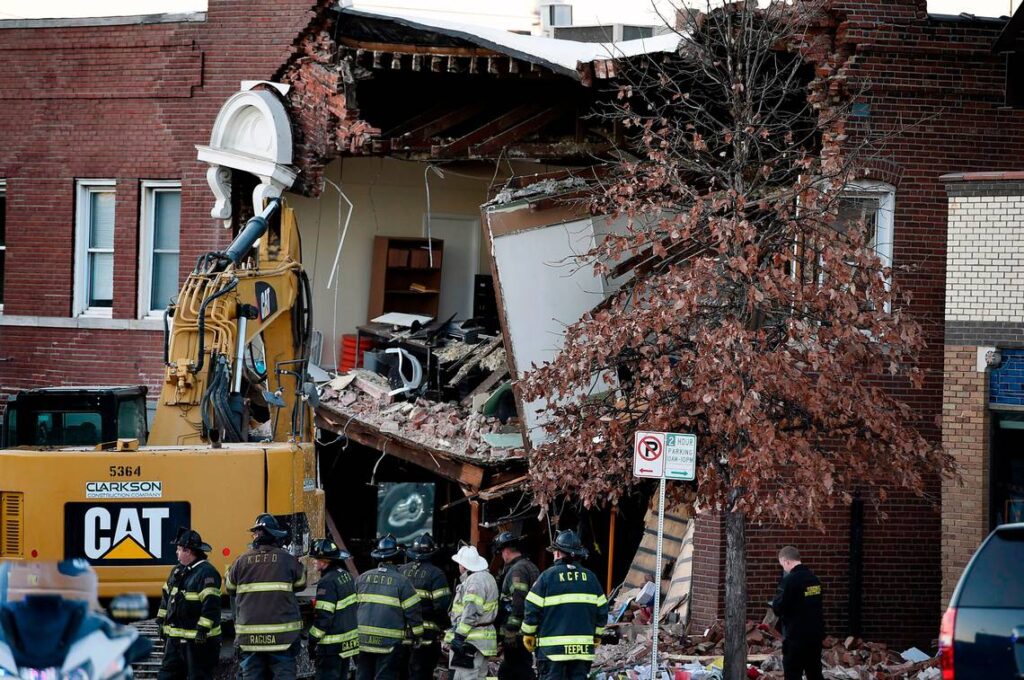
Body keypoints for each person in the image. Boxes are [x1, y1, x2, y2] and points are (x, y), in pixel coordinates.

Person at [225, 513, 306, 680]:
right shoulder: (287, 560)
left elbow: (229, 587)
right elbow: (301, 583)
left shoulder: (241, 561)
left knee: (252, 675)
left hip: (250, 639)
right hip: (282, 638)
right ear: (275, 536)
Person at [521, 530, 607, 680]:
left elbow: (531, 608)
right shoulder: (591, 579)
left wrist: (528, 633)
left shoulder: (547, 577)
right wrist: (597, 635)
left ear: (559, 553)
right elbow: (602, 612)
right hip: (582, 652)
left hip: (551, 653)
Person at [155, 527, 221, 680]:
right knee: (166, 676)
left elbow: (211, 605)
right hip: (175, 641)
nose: (176, 553)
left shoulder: (207, 573)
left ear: (188, 551)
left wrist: (203, 630)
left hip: (199, 643)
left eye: (179, 549)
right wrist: (161, 622)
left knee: (198, 676)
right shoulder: (177, 571)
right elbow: (166, 598)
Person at [356, 534, 424, 680]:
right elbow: (413, 612)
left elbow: (350, 609)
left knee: (363, 676)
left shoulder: (362, 578)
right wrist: (417, 635)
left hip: (362, 641)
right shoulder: (403, 582)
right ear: (397, 557)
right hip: (389, 644)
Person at [399, 533, 452, 680]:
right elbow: (443, 606)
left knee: (401, 673)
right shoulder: (436, 574)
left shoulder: (400, 571)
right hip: (426, 637)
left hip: (400, 635)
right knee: (421, 674)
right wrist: (444, 625)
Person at [445, 544, 499, 680]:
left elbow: (471, 612)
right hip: (482, 643)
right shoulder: (488, 577)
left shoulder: (474, 582)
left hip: (470, 642)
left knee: (463, 677)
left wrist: (459, 637)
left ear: (463, 566)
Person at [770, 546, 824, 680]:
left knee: (793, 673)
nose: (783, 568)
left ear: (786, 561)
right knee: (815, 672)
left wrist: (775, 604)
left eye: (782, 564)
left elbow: (779, 607)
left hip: (795, 636)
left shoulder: (789, 581)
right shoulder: (814, 580)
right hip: (814, 636)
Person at [309, 538, 359, 680]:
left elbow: (324, 617)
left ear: (324, 561)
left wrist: (312, 641)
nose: (313, 562)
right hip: (347, 645)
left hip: (331, 648)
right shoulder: (346, 576)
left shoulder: (327, 582)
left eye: (316, 558)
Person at [493, 532, 540, 680]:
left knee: (518, 669)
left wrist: (511, 630)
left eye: (501, 552)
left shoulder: (517, 570)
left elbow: (518, 602)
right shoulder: (530, 566)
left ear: (506, 551)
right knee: (511, 670)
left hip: (517, 633)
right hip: (527, 629)